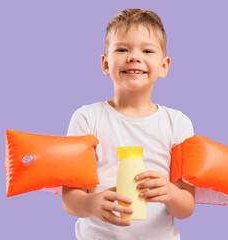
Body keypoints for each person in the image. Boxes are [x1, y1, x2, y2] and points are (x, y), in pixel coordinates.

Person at [62, 8, 195, 240]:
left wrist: (171, 193)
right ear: (105, 63)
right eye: (122, 49)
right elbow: (70, 200)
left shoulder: (177, 123)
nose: (134, 56)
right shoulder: (86, 118)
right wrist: (92, 203)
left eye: (147, 50)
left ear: (164, 66)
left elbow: (186, 207)